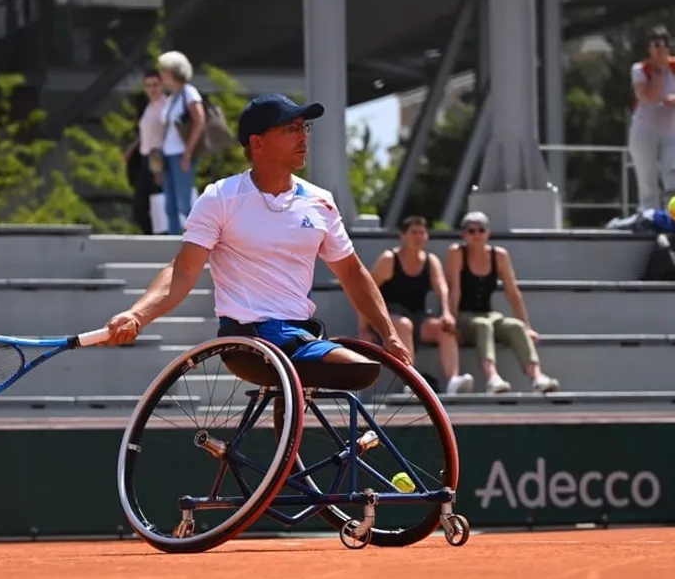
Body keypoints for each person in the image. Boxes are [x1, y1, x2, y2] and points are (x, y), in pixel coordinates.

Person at [103, 93, 410, 379]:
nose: (303, 136)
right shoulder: (220, 197)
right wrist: (137, 315)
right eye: (290, 129)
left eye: (303, 127)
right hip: (247, 338)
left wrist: (389, 334)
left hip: (300, 334)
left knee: (314, 378)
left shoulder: (321, 202)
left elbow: (353, 273)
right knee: (360, 370)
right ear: (258, 143)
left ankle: (292, 434)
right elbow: (182, 271)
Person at [445, 211, 559, 394]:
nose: (476, 235)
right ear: (464, 234)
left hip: (489, 314)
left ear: (488, 233)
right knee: (482, 325)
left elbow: (512, 292)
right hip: (465, 315)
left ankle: (537, 377)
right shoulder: (457, 253)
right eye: (471, 231)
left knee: (515, 326)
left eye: (481, 230)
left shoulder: (499, 255)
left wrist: (526, 325)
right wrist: (452, 319)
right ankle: (492, 378)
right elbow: (454, 289)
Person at [361, 215, 473, 395]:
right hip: (390, 318)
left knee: (445, 329)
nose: (418, 237)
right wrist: (364, 329)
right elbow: (366, 292)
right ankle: (411, 382)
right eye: (413, 232)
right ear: (403, 236)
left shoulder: (431, 261)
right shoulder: (390, 259)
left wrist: (447, 313)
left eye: (422, 233)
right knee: (405, 325)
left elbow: (442, 289)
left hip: (419, 316)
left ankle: (453, 380)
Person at [627, 25, 675, 213]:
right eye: (655, 44)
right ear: (648, 48)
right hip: (645, 130)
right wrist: (659, 71)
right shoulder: (640, 69)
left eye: (664, 44)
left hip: (672, 130)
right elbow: (648, 97)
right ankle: (648, 214)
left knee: (673, 172)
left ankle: (674, 215)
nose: (661, 49)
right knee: (647, 177)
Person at [156, 51, 205, 235]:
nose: (161, 75)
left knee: (185, 202)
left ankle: (202, 236)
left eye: (164, 70)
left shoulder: (189, 92)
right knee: (170, 204)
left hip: (181, 153)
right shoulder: (172, 96)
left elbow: (199, 120)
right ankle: (173, 240)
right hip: (167, 154)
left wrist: (188, 152)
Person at [123, 69, 167, 235]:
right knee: (140, 205)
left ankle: (159, 236)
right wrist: (131, 149)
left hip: (156, 158)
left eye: (155, 85)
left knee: (156, 202)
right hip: (143, 157)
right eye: (148, 85)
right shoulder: (149, 106)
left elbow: (164, 138)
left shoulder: (165, 106)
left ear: (162, 85)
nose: (152, 89)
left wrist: (159, 166)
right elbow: (144, 133)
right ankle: (150, 235)